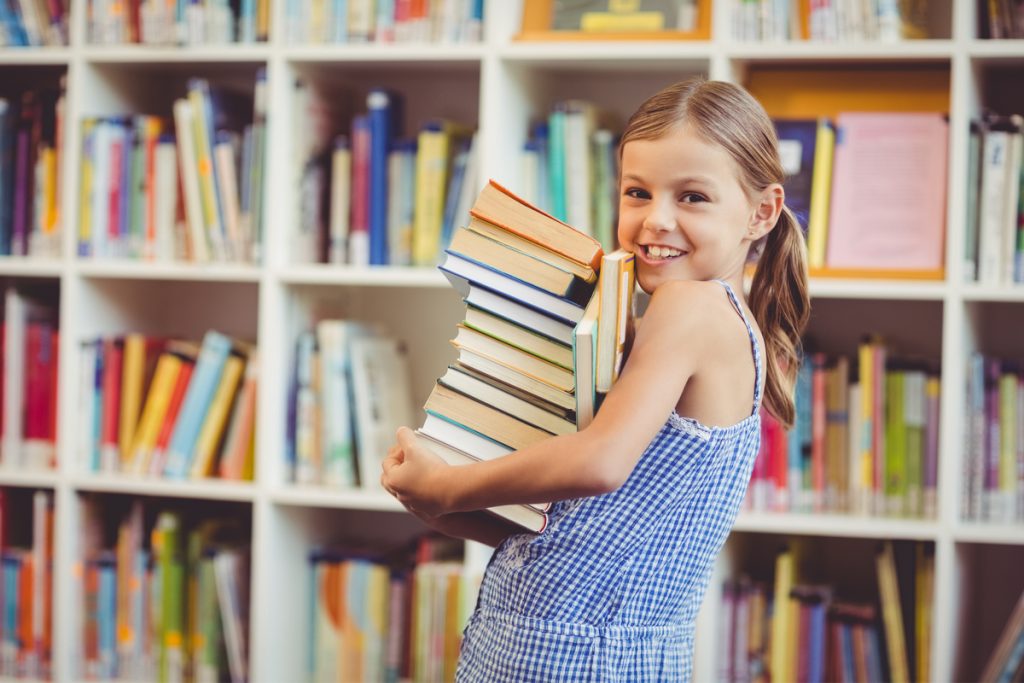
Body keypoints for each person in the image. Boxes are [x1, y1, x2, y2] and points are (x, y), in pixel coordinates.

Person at [381, 77, 810, 682]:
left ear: (761, 212)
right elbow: (591, 536)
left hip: (576, 655)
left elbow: (601, 463)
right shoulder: (712, 319)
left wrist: (450, 486)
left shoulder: (689, 309)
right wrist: (444, 509)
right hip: (590, 645)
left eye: (692, 197)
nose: (656, 219)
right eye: (637, 192)